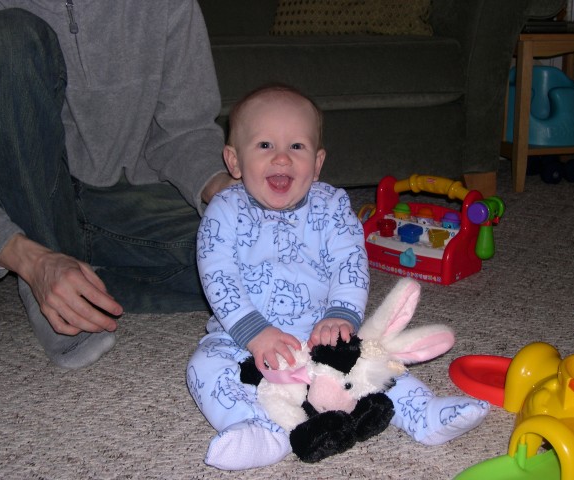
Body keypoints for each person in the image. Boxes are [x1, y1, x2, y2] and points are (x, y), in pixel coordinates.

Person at [187, 85, 489, 470]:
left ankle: (423, 413)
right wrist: (255, 333)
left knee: (376, 363)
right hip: (243, 338)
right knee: (204, 366)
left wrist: (342, 315)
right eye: (264, 145)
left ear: (316, 162)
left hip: (322, 334)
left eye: (297, 146)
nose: (282, 157)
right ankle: (260, 428)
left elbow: (350, 263)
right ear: (234, 160)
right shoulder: (224, 210)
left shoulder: (331, 206)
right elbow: (218, 276)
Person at [0, 1, 235, 369]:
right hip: (25, 206)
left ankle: (81, 278)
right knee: (4, 37)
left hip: (123, 202)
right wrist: (27, 257)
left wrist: (219, 189)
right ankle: (47, 263)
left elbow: (186, 130)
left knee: (273, 251)